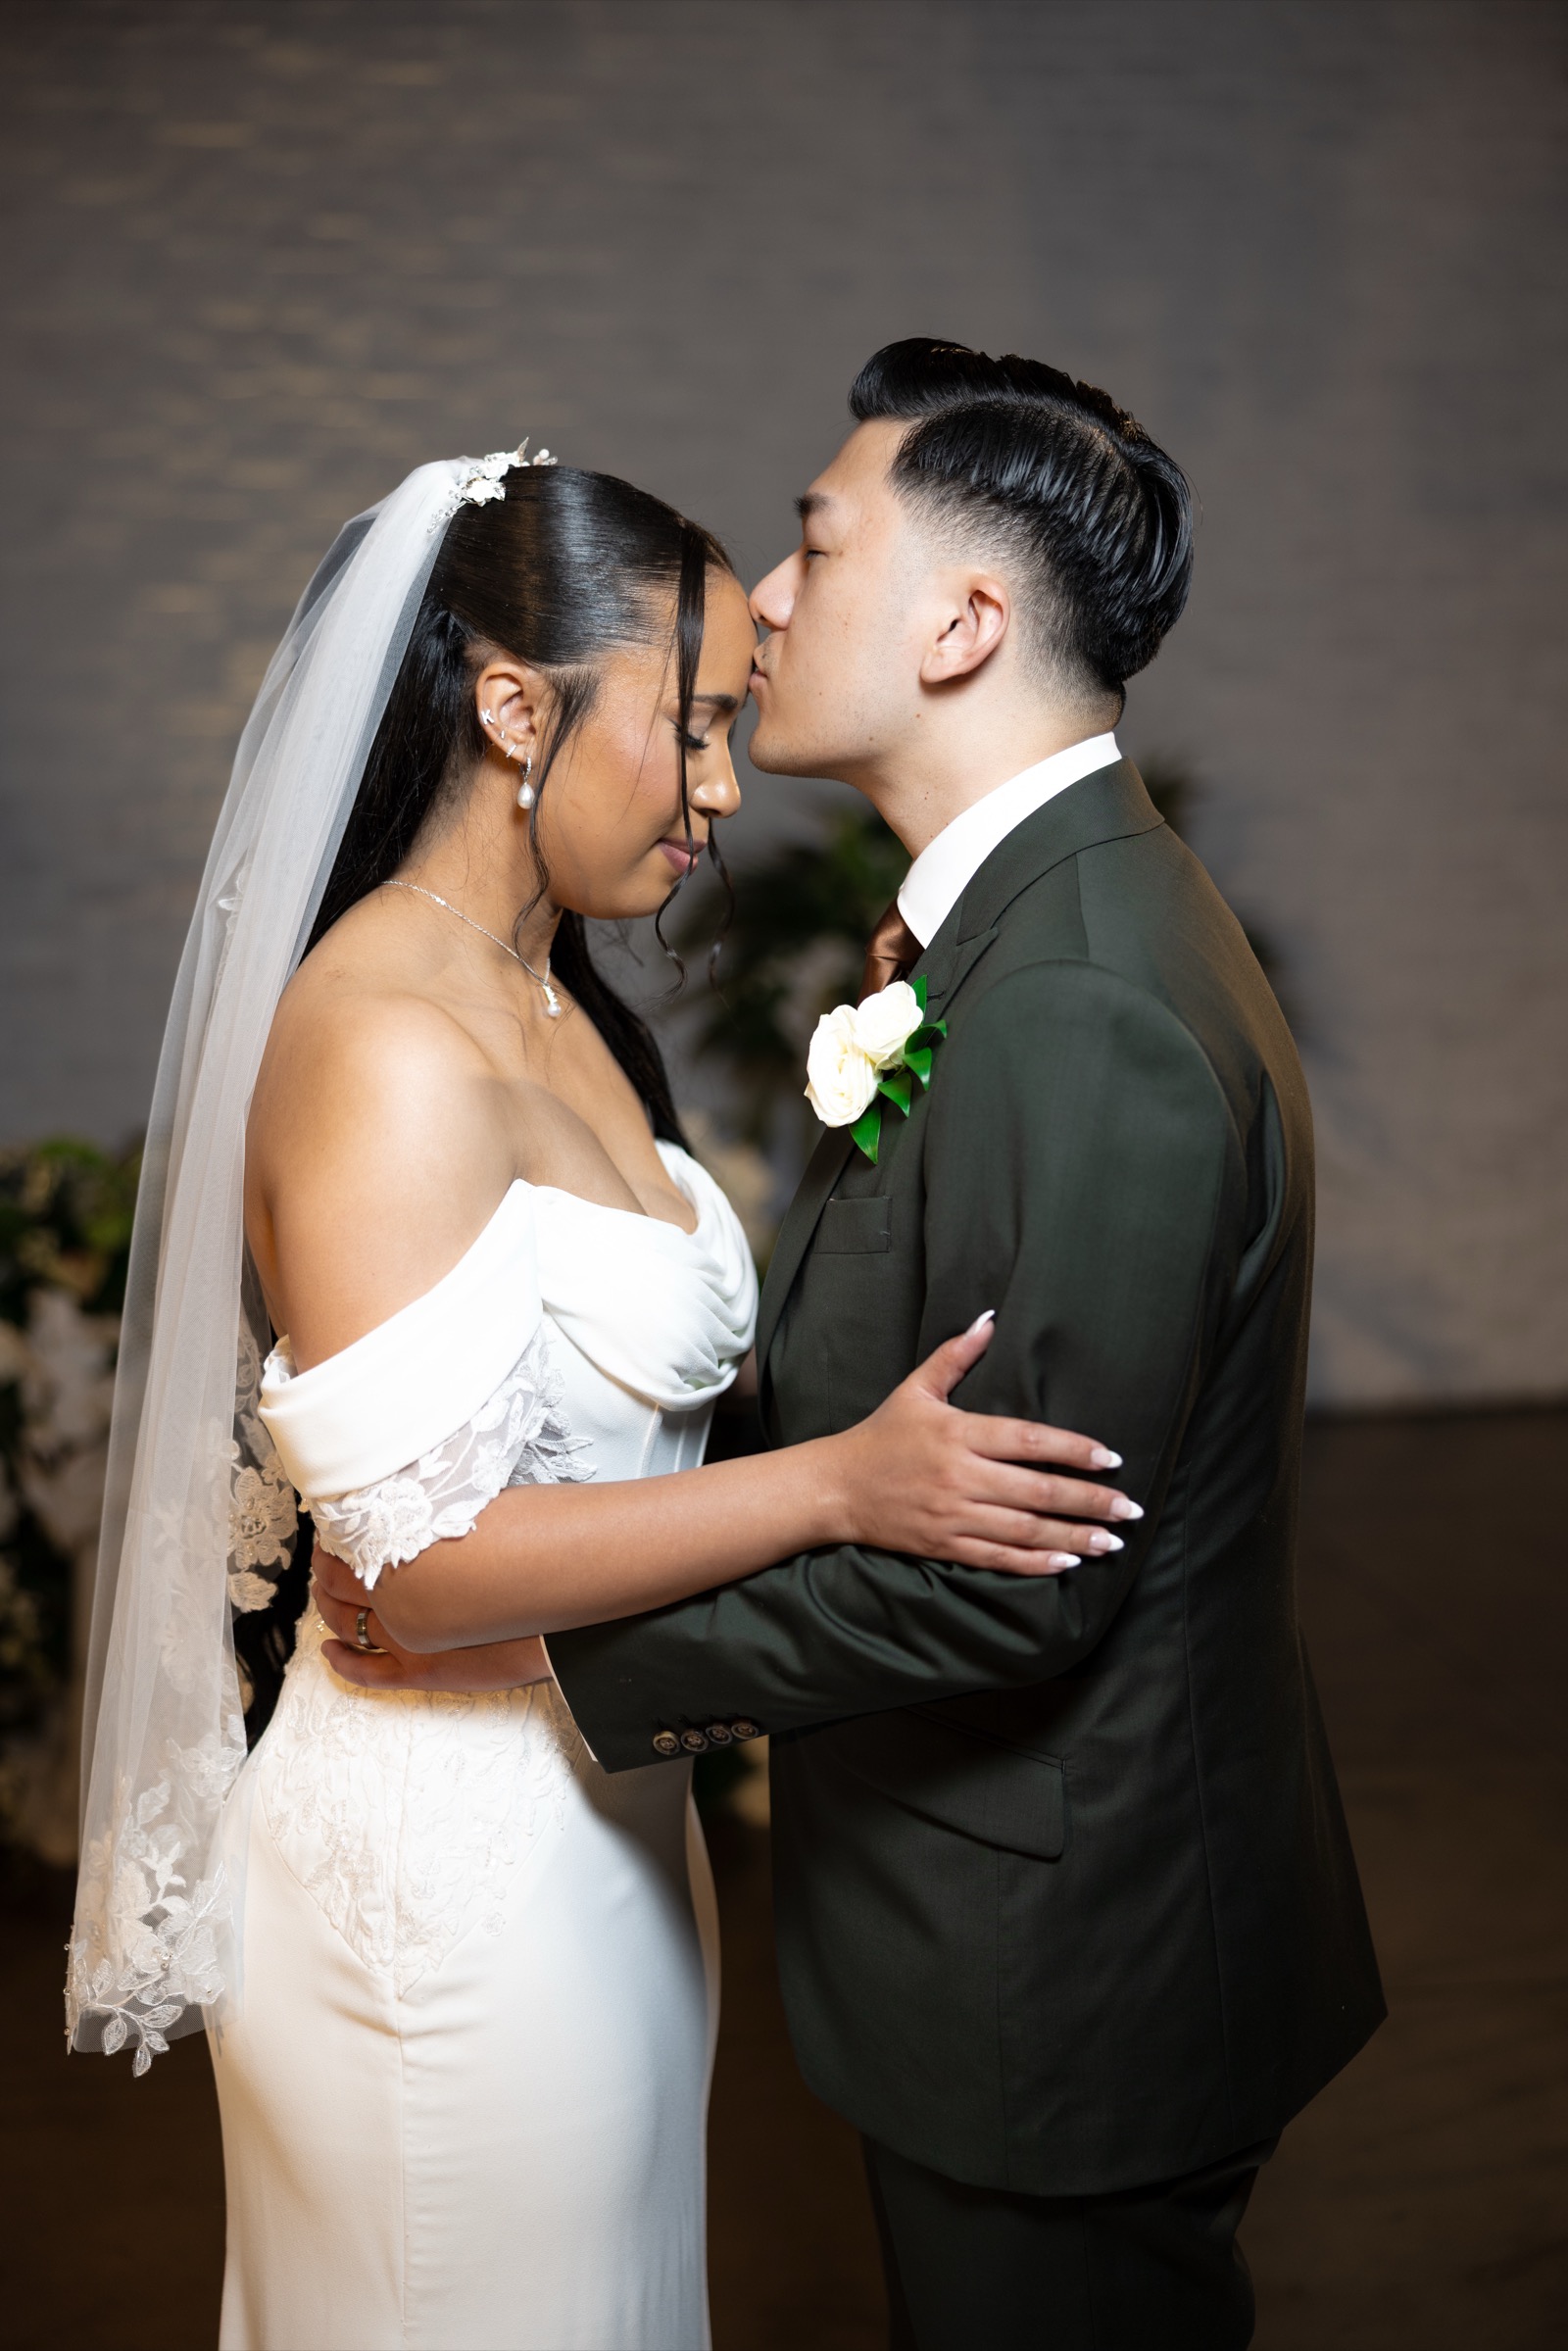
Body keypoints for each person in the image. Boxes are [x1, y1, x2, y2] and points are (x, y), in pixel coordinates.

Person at [320, 343, 1386, 2350]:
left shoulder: (1079, 1001)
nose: (774, 597)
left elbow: (1012, 1582)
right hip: (1032, 1935)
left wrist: (536, 1628)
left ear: (963, 622)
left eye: (818, 541)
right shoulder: (1020, 946)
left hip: (1065, 1978)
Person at [68, 440, 1134, 2351]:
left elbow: (623, 1397)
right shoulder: (380, 1042)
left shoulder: (551, 994)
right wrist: (839, 1492)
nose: (728, 787)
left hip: (600, 1829)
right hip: (442, 1881)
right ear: (508, 706)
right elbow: (429, 1569)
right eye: (694, 723)